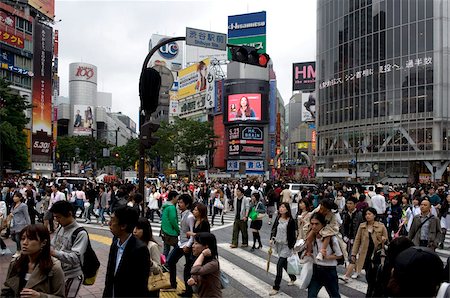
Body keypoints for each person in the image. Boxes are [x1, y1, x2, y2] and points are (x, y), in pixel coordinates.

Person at [1, 224, 65, 297]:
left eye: (31, 239)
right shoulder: (16, 263)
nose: (24, 243)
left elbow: (60, 296)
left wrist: (40, 296)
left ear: (43, 243)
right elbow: (6, 289)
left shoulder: (54, 268)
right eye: (22, 238)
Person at [103, 206, 150, 297]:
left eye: (112, 220)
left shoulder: (140, 249)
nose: (109, 223)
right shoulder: (115, 243)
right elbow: (109, 276)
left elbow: (140, 285)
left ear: (123, 226)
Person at [49, 200, 88, 298]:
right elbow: (53, 244)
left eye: (59, 217)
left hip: (72, 275)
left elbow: (75, 258)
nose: (57, 220)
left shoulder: (80, 233)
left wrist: (54, 253)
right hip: (59, 273)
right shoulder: (61, 228)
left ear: (69, 214)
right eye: (55, 217)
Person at [351, 207, 388, 297]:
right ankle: (371, 292)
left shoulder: (381, 226)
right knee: (369, 277)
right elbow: (357, 240)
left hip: (377, 256)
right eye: (366, 214)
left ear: (374, 215)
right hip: (366, 255)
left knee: (377, 277)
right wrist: (353, 253)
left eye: (369, 214)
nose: (367, 216)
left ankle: (372, 293)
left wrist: (384, 240)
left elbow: (387, 241)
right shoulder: (362, 226)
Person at [307, 212, 343, 298]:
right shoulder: (312, 237)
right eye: (312, 224)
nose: (314, 226)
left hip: (329, 271)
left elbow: (339, 255)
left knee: (334, 295)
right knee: (311, 295)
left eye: (317, 224)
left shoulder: (331, 238)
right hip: (316, 270)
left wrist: (327, 257)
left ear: (323, 224)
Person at [167, 194, 195, 297]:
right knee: (170, 261)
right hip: (181, 244)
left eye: (181, 202)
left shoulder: (190, 216)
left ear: (187, 204)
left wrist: (188, 245)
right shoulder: (183, 213)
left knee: (188, 268)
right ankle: (173, 284)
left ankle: (189, 291)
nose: (179, 204)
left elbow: (192, 234)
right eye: (178, 202)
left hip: (187, 245)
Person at [269, 202, 297, 296]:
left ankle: (276, 287)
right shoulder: (278, 218)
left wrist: (293, 247)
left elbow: (293, 235)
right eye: (280, 206)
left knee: (279, 265)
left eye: (283, 207)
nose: (281, 208)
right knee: (284, 263)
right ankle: (293, 277)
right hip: (278, 244)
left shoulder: (291, 221)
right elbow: (274, 229)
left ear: (287, 209)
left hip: (286, 245)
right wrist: (271, 238)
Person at [133, 217, 161, 298]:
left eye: (138, 228)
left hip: (149, 284)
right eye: (134, 228)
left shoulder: (152, 246)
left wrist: (150, 262)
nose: (134, 231)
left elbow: (158, 270)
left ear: (145, 230)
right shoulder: (132, 244)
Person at [187, 232, 222, 298]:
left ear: (206, 246)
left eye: (196, 243)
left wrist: (202, 254)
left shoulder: (213, 263)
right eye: (194, 243)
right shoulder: (201, 261)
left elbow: (195, 270)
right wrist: (193, 280)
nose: (193, 246)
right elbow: (195, 274)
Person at [340, 196, 363, 281]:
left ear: (355, 204)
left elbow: (361, 228)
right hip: (347, 238)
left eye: (350, 203)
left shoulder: (360, 215)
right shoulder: (345, 214)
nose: (348, 205)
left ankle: (346, 275)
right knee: (352, 254)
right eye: (347, 203)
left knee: (351, 256)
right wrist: (344, 236)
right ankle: (357, 271)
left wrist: (358, 239)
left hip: (357, 239)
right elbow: (342, 226)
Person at [9, 192, 31, 257]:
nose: (14, 198)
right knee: (13, 237)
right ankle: (24, 246)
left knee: (17, 237)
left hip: (21, 224)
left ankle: (18, 251)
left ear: (20, 198)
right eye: (14, 197)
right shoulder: (13, 205)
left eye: (16, 197)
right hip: (13, 224)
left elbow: (27, 215)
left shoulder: (23, 206)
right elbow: (11, 212)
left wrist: (28, 224)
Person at [160, 190, 180, 257]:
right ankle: (168, 262)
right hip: (170, 232)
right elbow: (173, 220)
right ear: (173, 197)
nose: (178, 199)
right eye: (177, 197)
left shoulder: (166, 205)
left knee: (166, 249)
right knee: (177, 248)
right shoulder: (171, 207)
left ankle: (163, 263)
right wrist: (178, 230)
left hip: (164, 230)